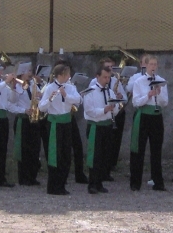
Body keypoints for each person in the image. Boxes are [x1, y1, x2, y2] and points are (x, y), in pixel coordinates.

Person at [39, 64, 81, 195]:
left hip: (66, 122)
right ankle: (53, 186)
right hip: (54, 124)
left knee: (66, 155)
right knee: (55, 154)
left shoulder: (71, 87)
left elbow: (79, 100)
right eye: (66, 74)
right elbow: (41, 107)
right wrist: (50, 99)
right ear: (60, 75)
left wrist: (66, 95)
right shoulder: (49, 87)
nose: (69, 76)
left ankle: (62, 184)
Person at [130, 55, 168, 191]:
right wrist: (149, 95)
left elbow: (165, 102)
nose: (153, 66)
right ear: (145, 65)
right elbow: (135, 102)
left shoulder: (161, 81)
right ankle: (135, 183)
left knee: (156, 151)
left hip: (156, 116)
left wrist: (159, 92)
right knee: (138, 150)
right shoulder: (139, 82)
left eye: (155, 64)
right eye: (150, 64)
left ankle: (158, 182)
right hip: (144, 116)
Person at [83, 64, 119, 194]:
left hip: (107, 125)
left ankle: (99, 183)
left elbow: (116, 110)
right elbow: (89, 111)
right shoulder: (90, 91)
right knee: (95, 156)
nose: (107, 80)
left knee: (105, 155)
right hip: (95, 126)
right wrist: (104, 110)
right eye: (104, 77)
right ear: (97, 77)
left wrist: (115, 107)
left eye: (109, 77)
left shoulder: (110, 91)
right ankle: (92, 184)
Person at [7, 63, 43, 186]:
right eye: (27, 70)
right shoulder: (16, 86)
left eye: (30, 70)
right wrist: (24, 110)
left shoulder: (33, 84)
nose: (30, 73)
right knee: (24, 149)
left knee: (35, 148)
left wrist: (40, 96)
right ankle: (23, 177)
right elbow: (11, 103)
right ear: (21, 72)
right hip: (22, 119)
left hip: (34, 119)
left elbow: (39, 98)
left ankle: (32, 176)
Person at [54, 58, 88, 184]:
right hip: (56, 119)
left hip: (69, 117)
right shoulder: (52, 85)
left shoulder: (70, 85)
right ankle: (60, 175)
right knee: (59, 149)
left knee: (77, 146)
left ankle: (79, 174)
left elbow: (78, 100)